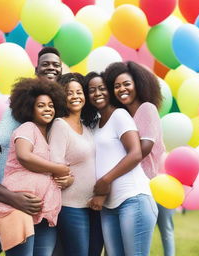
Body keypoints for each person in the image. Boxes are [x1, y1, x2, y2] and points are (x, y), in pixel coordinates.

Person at [0, 47, 69, 256]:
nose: (52, 68)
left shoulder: (53, 121)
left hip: (36, 204)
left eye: (56, 65)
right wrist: (12, 197)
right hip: (4, 196)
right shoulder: (16, 116)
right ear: (36, 70)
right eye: (46, 64)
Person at [104, 61, 175, 256]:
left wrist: (107, 173)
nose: (121, 89)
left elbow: (141, 150)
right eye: (116, 86)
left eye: (126, 84)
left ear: (138, 84)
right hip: (123, 189)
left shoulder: (147, 109)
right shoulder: (123, 115)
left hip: (142, 186)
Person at [84, 71, 158, 256]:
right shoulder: (95, 124)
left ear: (109, 91)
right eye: (92, 90)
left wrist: (105, 181)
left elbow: (135, 154)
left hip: (133, 200)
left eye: (102, 88)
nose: (97, 93)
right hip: (107, 207)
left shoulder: (120, 116)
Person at [48, 73, 104, 256]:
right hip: (71, 206)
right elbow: (54, 164)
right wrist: (68, 177)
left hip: (93, 205)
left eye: (79, 92)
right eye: (69, 92)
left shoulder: (87, 127)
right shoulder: (59, 125)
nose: (75, 96)